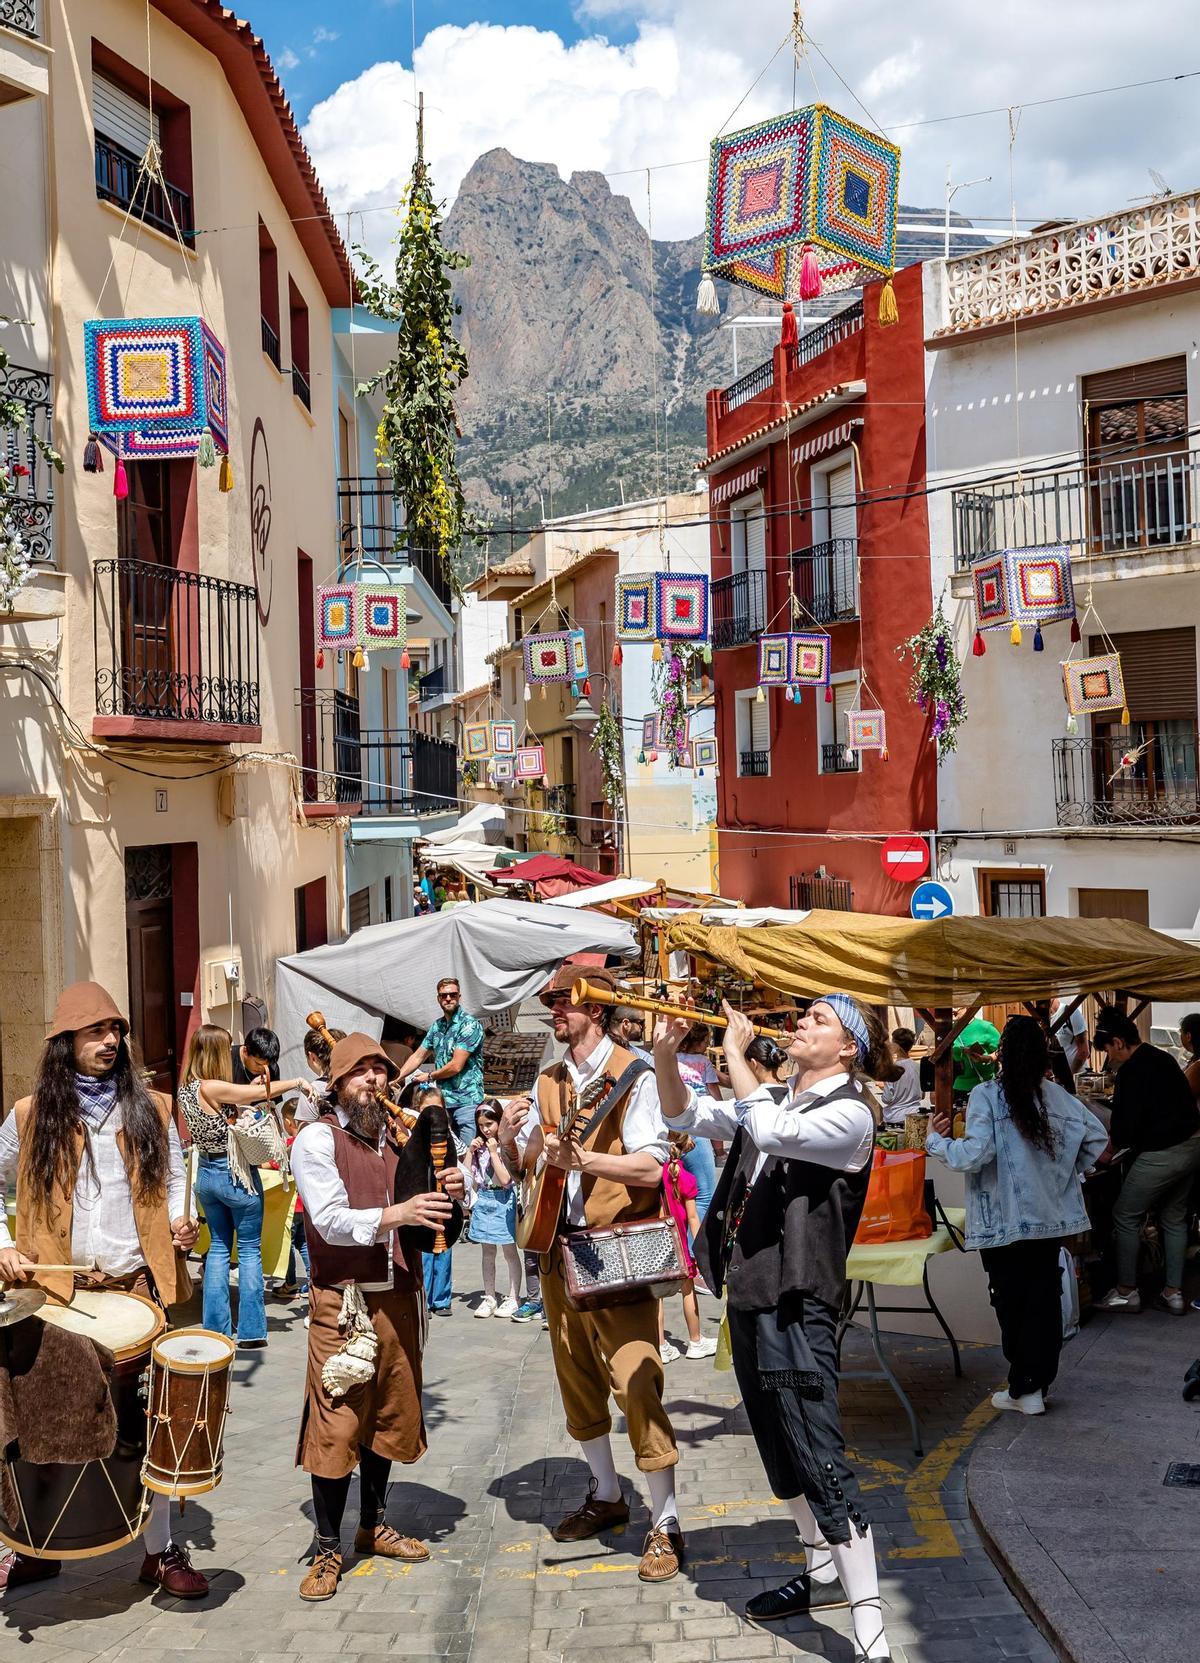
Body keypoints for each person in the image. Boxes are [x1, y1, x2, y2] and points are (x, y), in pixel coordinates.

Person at [654, 993, 893, 1660]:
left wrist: (733, 1052)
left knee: (821, 1452)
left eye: (818, 1018)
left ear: (850, 1047)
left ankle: (871, 1628)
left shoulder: (849, 1112)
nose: (801, 1024)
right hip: (754, 1293)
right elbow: (685, 1113)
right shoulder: (776, 1097)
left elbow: (774, 1133)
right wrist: (667, 1053)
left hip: (800, 1300)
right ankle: (819, 1572)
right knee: (776, 1445)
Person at [0, 982, 207, 1597]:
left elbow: (173, 1179)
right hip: (55, 1297)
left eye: (115, 1031)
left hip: (136, 1290)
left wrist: (179, 1217)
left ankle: (160, 1548)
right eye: (95, 1032)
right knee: (38, 1418)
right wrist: (3, 1245)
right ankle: (34, 1545)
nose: (110, 1041)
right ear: (64, 1044)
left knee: (153, 1423)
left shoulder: (155, 1109)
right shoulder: (29, 1115)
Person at [498, 965, 682, 1583]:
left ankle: (667, 1520)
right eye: (548, 999)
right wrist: (507, 1136)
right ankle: (607, 1494)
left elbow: (654, 1168)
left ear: (594, 1009)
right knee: (576, 1379)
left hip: (615, 1251)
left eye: (561, 1001)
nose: (552, 1009)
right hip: (556, 1248)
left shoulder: (634, 1075)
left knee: (636, 1378)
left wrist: (587, 1157)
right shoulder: (550, 1079)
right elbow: (526, 1157)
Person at [290, 1032, 467, 1602]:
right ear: (338, 1083)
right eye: (361, 1072)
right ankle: (325, 1546)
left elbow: (433, 1214)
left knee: (388, 1413)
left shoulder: (400, 1136)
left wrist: (452, 1190)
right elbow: (329, 1219)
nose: (374, 1080)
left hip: (399, 1297)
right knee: (338, 1419)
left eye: (380, 1070)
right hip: (344, 1300)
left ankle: (372, 1525)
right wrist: (400, 1211)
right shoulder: (317, 1138)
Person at [926, 1016, 1108, 1415]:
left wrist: (935, 1143)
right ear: (1043, 1054)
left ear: (1003, 1053)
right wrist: (1064, 1171)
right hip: (1048, 1217)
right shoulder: (1058, 1097)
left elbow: (974, 1155)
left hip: (1002, 1220)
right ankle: (1035, 1386)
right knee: (1042, 1298)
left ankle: (1023, 1386)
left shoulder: (986, 1095)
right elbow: (1098, 1138)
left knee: (1010, 1299)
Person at [178, 1024, 313, 1347]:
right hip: (234, 1173)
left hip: (206, 1176)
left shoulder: (186, 1089)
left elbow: (226, 1115)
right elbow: (256, 1095)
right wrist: (297, 1081)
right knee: (249, 1249)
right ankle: (252, 1330)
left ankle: (216, 1328)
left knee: (219, 1251)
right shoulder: (212, 1086)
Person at [1092, 1006, 1200, 1315]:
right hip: (1193, 1146)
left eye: (1109, 1051)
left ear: (1118, 1042)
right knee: (1174, 1217)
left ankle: (1126, 1291)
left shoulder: (1131, 1070)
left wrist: (1107, 1151)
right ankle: (1173, 1293)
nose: (1110, 1058)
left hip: (1164, 1152)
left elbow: (1125, 1128)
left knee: (1125, 1214)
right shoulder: (1163, 1058)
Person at [395, 978, 485, 1145]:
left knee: (469, 1157)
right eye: (444, 995)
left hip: (466, 1102)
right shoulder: (437, 1026)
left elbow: (456, 1066)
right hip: (443, 1103)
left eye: (452, 994)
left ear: (459, 996)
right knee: (447, 1155)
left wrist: (429, 1076)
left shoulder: (469, 1025)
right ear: (438, 998)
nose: (448, 998)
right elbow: (418, 1056)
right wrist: (396, 1078)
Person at [658, 1133, 716, 1362]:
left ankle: (661, 1345)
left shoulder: (656, 1174)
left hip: (659, 1241)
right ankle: (695, 1341)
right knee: (688, 1291)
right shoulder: (686, 1177)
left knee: (657, 1296)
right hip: (680, 1240)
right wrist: (702, 1247)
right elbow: (692, 1217)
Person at [466, 1100, 522, 1318]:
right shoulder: (480, 1147)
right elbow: (468, 1176)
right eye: (481, 1125)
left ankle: (513, 1296)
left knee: (509, 1251)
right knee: (487, 1251)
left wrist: (494, 1152)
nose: (485, 1129)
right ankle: (489, 1296)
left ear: (499, 1122)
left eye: (489, 1124)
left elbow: (506, 1178)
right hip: (484, 1198)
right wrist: (471, 1151)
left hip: (503, 1199)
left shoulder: (504, 1146)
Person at [880, 1028, 923, 1125]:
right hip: (915, 1115)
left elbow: (887, 1099)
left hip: (895, 1117)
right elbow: (922, 1094)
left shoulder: (892, 1069)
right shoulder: (918, 1067)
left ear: (896, 1045)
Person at [952, 1010, 1000, 1096]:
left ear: (968, 1007)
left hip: (984, 1086)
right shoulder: (949, 1030)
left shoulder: (985, 1027)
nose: (952, 1009)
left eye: (956, 1006)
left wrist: (984, 1058)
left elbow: (1002, 1051)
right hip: (957, 1088)